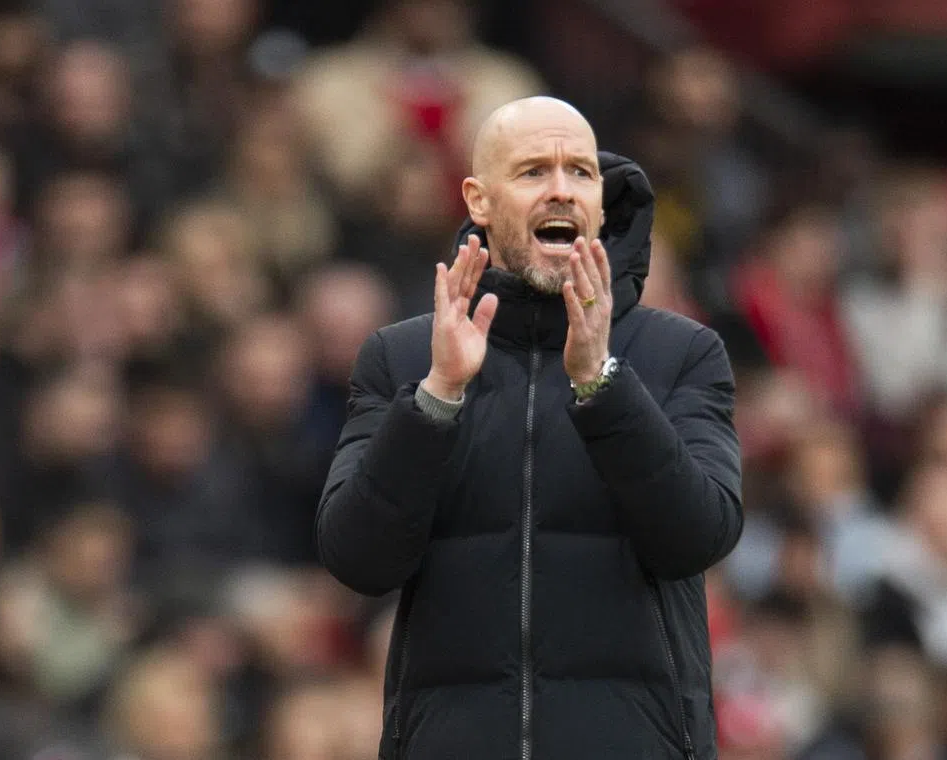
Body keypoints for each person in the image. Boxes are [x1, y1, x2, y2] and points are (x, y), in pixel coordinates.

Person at [316, 96, 744, 760]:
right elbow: (357, 560)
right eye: (533, 171)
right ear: (479, 200)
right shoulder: (403, 359)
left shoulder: (682, 354)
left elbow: (699, 537)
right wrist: (438, 396)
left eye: (581, 172)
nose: (562, 190)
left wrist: (601, 384)